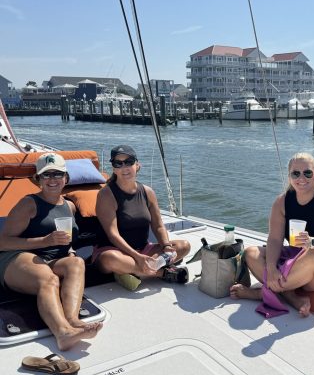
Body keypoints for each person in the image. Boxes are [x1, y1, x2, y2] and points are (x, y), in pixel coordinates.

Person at [0, 153, 102, 351]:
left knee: (77, 263)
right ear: (38, 180)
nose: (52, 179)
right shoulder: (28, 204)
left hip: (51, 260)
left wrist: (70, 250)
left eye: (57, 174)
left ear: (66, 178)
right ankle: (63, 333)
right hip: (15, 259)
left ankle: (72, 320)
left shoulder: (69, 206)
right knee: (49, 279)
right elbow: (2, 242)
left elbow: (68, 240)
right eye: (46, 175)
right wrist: (45, 240)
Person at [230, 152, 314, 316]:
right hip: (294, 258)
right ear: (289, 176)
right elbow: (275, 239)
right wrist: (271, 268)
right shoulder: (281, 202)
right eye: (296, 173)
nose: (301, 178)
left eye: (308, 173)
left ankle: (261, 293)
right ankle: (290, 295)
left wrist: (311, 242)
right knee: (250, 253)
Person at [93, 145, 191, 290]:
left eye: (129, 161)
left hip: (143, 250)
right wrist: (137, 257)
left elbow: (158, 226)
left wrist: (166, 247)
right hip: (113, 251)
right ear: (113, 169)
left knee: (184, 246)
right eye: (118, 163)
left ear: (137, 165)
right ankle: (161, 272)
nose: (124, 167)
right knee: (111, 259)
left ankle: (134, 270)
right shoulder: (106, 195)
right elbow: (113, 235)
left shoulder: (148, 192)